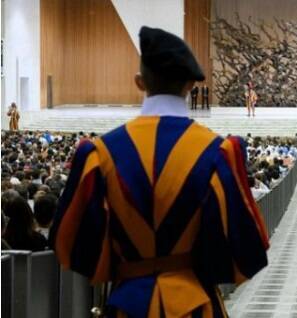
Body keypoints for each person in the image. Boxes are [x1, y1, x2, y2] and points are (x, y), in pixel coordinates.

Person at [49, 26, 269, 317]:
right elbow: (248, 249)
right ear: (191, 85)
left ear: (139, 82)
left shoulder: (100, 154)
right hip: (195, 305)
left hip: (126, 305)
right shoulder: (217, 153)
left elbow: (70, 246)